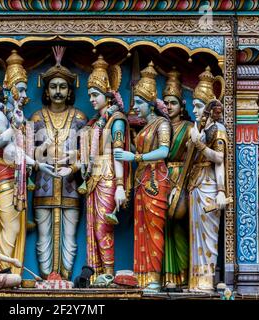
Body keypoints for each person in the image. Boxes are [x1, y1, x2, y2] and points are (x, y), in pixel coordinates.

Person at [0, 50, 56, 274]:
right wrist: (12, 129)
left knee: (17, 229)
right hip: (4, 175)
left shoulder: (20, 119)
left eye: (25, 89)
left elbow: (23, 152)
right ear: (9, 88)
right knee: (11, 226)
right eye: (21, 89)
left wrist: (42, 156)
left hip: (19, 177)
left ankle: (12, 272)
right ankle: (4, 272)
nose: (25, 94)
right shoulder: (0, 116)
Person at [114, 61, 171, 293]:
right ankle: (143, 276)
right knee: (142, 229)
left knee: (154, 229)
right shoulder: (146, 126)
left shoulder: (162, 124)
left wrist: (135, 158)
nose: (135, 107)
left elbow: (164, 152)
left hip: (156, 182)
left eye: (139, 102)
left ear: (150, 103)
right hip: (142, 182)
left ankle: (155, 278)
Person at [30, 46, 87, 280]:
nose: (58, 91)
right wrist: (39, 158)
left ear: (69, 90)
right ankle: (47, 279)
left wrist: (72, 165)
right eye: (53, 86)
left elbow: (88, 153)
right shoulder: (35, 117)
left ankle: (64, 278)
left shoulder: (80, 118)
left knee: (70, 237)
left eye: (62, 86)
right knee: (44, 236)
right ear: (46, 90)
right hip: (43, 183)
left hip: (71, 185)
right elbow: (26, 152)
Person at [83, 55, 132, 281]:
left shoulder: (117, 121)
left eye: (95, 95)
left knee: (103, 227)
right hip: (96, 176)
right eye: (90, 94)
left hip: (110, 176)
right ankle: (98, 274)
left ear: (107, 95)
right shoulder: (97, 122)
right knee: (93, 228)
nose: (91, 99)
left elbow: (119, 155)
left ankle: (110, 274)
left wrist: (121, 186)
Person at [187, 66, 227, 292]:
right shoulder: (200, 130)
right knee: (196, 235)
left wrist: (222, 191)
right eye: (193, 105)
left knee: (208, 237)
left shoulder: (217, 130)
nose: (194, 110)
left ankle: (206, 281)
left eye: (198, 106)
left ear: (209, 109)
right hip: (196, 184)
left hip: (210, 185)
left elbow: (219, 158)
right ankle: (196, 282)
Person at [162, 67, 193, 287]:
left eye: (173, 102)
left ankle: (184, 275)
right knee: (164, 229)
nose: (169, 107)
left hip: (182, 177)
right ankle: (168, 276)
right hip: (162, 178)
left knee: (181, 227)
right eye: (166, 102)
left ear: (182, 105)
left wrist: (181, 182)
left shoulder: (189, 127)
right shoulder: (159, 125)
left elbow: (193, 158)